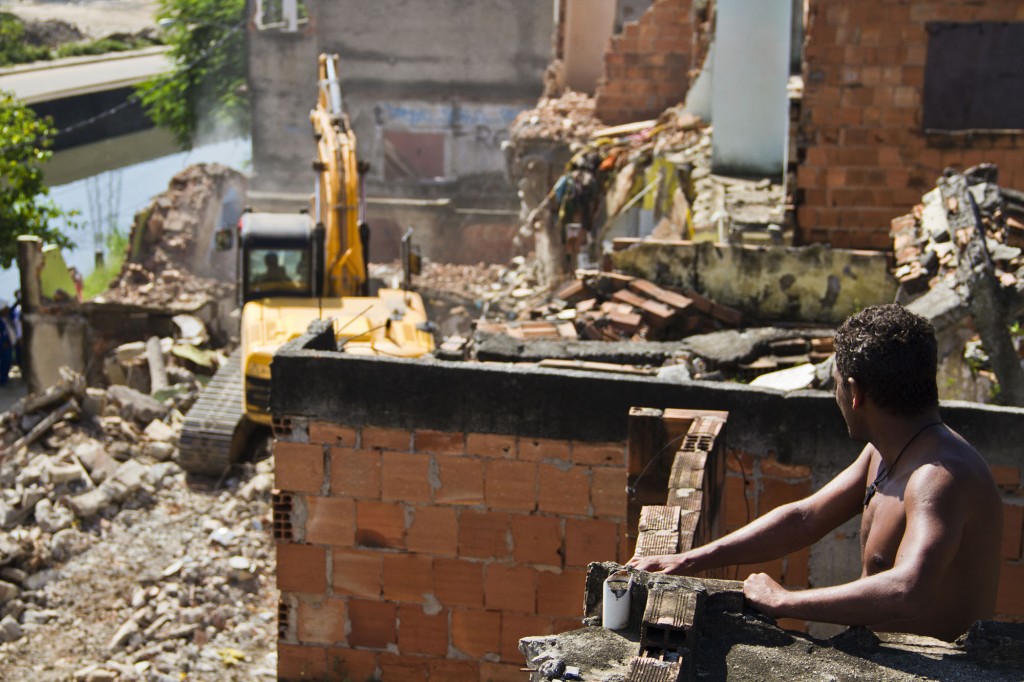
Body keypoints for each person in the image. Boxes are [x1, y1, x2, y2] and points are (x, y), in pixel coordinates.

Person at [629, 304, 1002, 641]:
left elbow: (907, 590)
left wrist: (784, 601)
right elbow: (805, 518)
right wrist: (689, 560)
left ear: (854, 393)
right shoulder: (884, 451)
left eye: (836, 383)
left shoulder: (938, 477)